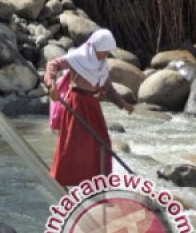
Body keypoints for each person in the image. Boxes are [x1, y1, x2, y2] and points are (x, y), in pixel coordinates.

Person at [44, 29, 134, 186]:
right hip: (76, 104)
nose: (105, 55)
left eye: (107, 52)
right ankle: (62, 180)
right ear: (95, 48)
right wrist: (52, 86)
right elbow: (52, 65)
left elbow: (108, 88)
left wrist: (123, 104)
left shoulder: (101, 66)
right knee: (73, 144)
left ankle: (97, 184)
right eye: (103, 52)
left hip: (93, 106)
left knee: (102, 143)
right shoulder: (78, 57)